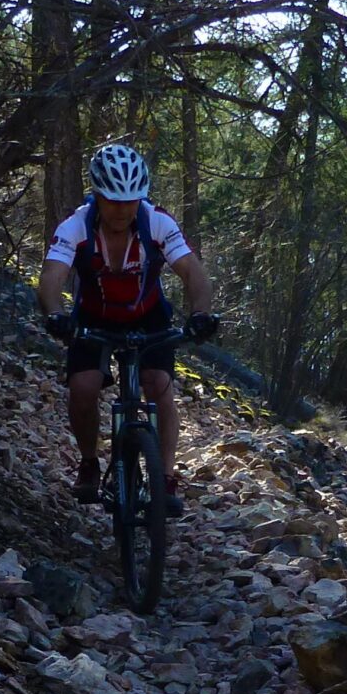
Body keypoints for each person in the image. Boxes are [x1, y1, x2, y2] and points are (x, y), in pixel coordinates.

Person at [38, 143, 217, 514]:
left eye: (131, 201)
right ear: (97, 196)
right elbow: (52, 275)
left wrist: (201, 313)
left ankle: (165, 475)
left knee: (159, 388)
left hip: (148, 315)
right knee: (83, 387)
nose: (122, 209)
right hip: (93, 316)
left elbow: (192, 272)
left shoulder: (158, 223)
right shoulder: (76, 226)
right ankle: (89, 462)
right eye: (113, 201)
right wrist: (55, 313)